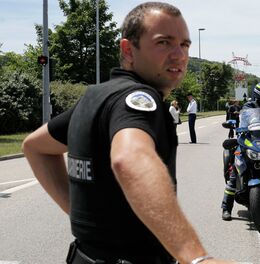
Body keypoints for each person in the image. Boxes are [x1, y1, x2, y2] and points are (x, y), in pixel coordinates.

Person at [22, 2, 229, 263]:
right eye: (164, 42)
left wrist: (78, 214)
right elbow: (130, 158)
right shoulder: (140, 99)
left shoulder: (96, 97)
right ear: (128, 49)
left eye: (185, 44)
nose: (180, 54)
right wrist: (197, 257)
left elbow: (35, 147)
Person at [221, 81, 260, 221]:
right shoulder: (248, 107)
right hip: (249, 141)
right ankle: (226, 207)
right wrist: (236, 126)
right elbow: (242, 123)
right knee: (235, 171)